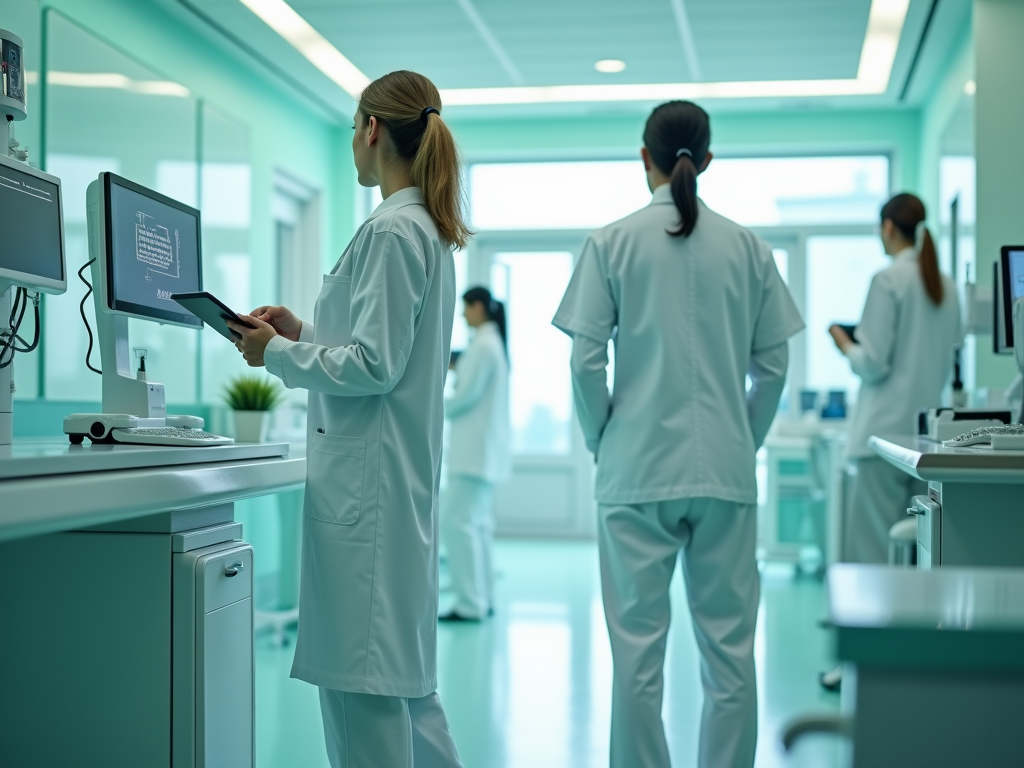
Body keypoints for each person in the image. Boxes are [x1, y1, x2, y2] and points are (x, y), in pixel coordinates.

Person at [228, 70, 469, 768]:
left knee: (367, 698)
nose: (351, 146)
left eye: (351, 131)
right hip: (386, 490)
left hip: (371, 498)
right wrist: (301, 333)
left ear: (371, 129)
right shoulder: (419, 227)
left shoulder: (396, 230)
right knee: (403, 693)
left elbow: (373, 365)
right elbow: (376, 347)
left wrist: (275, 353)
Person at [552, 100, 804, 768]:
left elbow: (584, 361)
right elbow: (774, 366)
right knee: (731, 657)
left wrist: (603, 439)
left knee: (636, 658)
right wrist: (741, 441)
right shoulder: (749, 247)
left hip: (634, 472)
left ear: (645, 159)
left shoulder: (610, 241)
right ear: (709, 160)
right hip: (724, 471)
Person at [830, 193, 962, 563]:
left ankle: (867, 621)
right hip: (927, 440)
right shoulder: (947, 287)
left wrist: (844, 344)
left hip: (883, 440)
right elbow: (951, 347)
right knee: (923, 552)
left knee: (871, 553)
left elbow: (873, 364)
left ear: (888, 228)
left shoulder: (887, 279)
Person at [439, 286, 511, 622]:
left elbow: (465, 398)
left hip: (473, 454)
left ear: (479, 307)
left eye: (466, 308)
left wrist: (432, 407)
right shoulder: (491, 344)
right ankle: (482, 599)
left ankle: (470, 603)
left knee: (458, 524)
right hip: (482, 453)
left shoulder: (482, 346)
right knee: (477, 526)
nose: (463, 314)